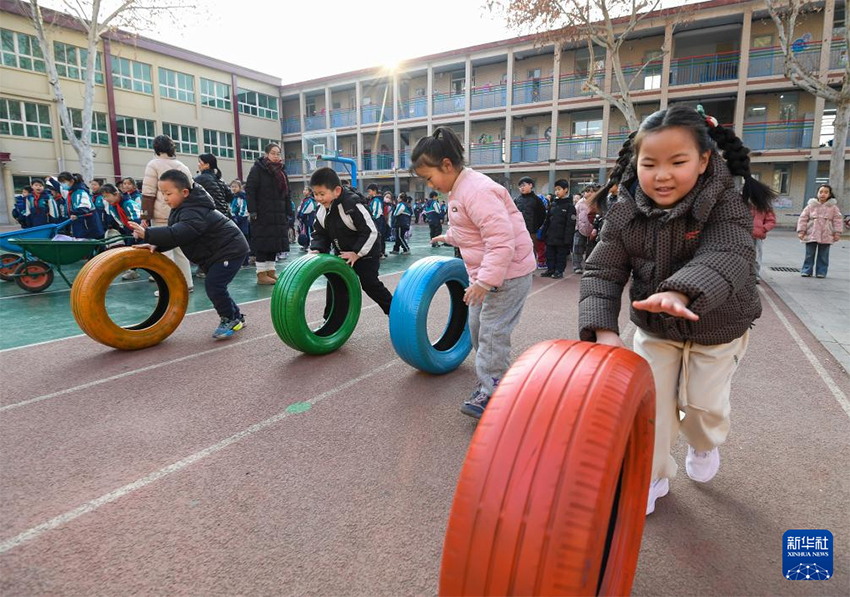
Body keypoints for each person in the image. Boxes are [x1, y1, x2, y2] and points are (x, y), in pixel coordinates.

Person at [578, 105, 776, 515]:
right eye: (650, 164)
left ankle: (703, 444)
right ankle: (651, 476)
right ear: (636, 163)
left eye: (677, 162)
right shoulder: (626, 210)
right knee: (651, 408)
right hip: (655, 328)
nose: (662, 175)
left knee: (702, 405)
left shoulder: (725, 203)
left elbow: (728, 254)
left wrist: (682, 292)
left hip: (718, 326)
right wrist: (603, 329)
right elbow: (602, 269)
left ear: (703, 161)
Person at [412, 127, 535, 419]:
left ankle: (495, 392)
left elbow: (500, 241)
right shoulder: (459, 190)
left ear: (446, 165)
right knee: (478, 327)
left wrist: (484, 281)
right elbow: (471, 230)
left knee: (492, 333)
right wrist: (449, 237)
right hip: (489, 275)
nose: (429, 185)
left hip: (509, 274)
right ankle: (492, 378)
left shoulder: (477, 190)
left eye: (429, 177)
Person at [130, 169, 250, 340]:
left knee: (214, 285)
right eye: (162, 194)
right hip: (216, 252)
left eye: (168, 193)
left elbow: (182, 232)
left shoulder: (194, 209)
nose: (165, 198)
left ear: (185, 192)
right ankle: (236, 317)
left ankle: (229, 318)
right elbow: (179, 236)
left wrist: (148, 233)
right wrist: (156, 245)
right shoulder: (181, 209)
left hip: (230, 250)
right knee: (216, 286)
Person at [308, 167, 394, 315]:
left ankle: (395, 312)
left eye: (322, 194)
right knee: (335, 283)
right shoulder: (322, 209)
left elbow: (371, 231)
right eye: (315, 194)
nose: (318, 198)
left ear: (337, 191)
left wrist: (356, 253)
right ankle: (332, 322)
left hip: (366, 253)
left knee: (370, 284)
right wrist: (317, 248)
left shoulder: (352, 204)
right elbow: (320, 233)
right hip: (343, 254)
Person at [142, 135, 195, 292]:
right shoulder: (182, 166)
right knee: (181, 251)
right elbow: (191, 190)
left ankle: (168, 287)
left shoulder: (153, 164)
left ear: (156, 148)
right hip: (180, 214)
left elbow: (148, 193)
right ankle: (187, 283)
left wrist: (144, 216)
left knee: (163, 251)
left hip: (161, 215)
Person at [245, 142, 293, 285]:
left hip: (278, 214)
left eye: (278, 153)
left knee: (274, 244)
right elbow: (250, 190)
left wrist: (288, 211)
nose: (276, 156)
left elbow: (287, 193)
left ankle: (271, 271)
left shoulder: (281, 171)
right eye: (273, 153)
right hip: (262, 213)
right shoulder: (257, 169)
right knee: (263, 243)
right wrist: (252, 210)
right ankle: (261, 274)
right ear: (266, 154)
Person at [797, 184, 843, 278]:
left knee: (823, 255)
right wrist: (801, 231)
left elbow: (838, 220)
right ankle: (806, 270)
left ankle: (821, 272)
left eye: (826, 192)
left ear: (829, 194)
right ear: (817, 193)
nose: (823, 194)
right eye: (821, 192)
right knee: (809, 254)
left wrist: (837, 232)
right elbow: (803, 218)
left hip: (826, 233)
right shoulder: (811, 206)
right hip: (811, 232)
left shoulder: (833, 207)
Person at [102, 183, 143, 280]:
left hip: (141, 228)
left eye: (107, 196)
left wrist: (137, 230)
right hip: (129, 229)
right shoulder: (112, 207)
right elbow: (119, 220)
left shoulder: (129, 203)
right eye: (104, 197)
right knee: (130, 249)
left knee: (146, 250)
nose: (106, 199)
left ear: (116, 194)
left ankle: (157, 270)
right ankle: (132, 271)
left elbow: (138, 217)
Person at [540, 179, 576, 279]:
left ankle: (559, 271)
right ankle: (550, 269)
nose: (557, 192)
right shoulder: (553, 204)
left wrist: (568, 240)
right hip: (551, 236)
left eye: (559, 189)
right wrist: (544, 233)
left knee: (560, 255)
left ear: (566, 190)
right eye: (555, 189)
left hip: (562, 238)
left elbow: (570, 225)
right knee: (549, 254)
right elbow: (547, 220)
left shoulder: (570, 206)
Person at [56, 172, 104, 239]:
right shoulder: (72, 192)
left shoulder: (80, 192)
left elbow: (84, 207)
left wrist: (75, 213)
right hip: (79, 223)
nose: (62, 185)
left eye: (63, 182)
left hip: (87, 225)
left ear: (71, 181)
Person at [514, 177, 546, 269]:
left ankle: (531, 269)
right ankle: (521, 269)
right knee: (520, 250)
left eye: (524, 185)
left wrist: (536, 227)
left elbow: (542, 215)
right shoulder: (517, 200)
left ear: (530, 185)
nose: (522, 188)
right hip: (519, 230)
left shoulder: (537, 200)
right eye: (520, 186)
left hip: (532, 231)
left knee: (531, 250)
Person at [572, 185, 596, 274]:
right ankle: (577, 266)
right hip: (580, 228)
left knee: (591, 248)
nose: (589, 193)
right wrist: (576, 227)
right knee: (577, 247)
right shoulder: (579, 203)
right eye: (587, 191)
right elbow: (575, 216)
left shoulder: (596, 202)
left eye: (592, 191)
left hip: (592, 229)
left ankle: (589, 265)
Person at [751, 200, 776, 284]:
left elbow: (771, 220)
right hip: (742, 233)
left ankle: (755, 275)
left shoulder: (765, 205)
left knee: (756, 257)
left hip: (757, 235)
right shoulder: (743, 202)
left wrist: (763, 228)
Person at [230, 180, 251, 267]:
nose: (233, 188)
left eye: (235, 186)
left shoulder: (242, 197)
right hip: (234, 220)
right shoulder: (232, 197)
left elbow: (244, 209)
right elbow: (231, 208)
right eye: (232, 186)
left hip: (242, 221)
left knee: (243, 240)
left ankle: (245, 260)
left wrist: (238, 218)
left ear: (240, 187)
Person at [366, 184, 387, 258]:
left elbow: (376, 212)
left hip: (377, 221)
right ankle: (381, 252)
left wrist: (372, 220)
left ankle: (380, 253)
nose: (369, 193)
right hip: (378, 221)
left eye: (369, 191)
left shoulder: (376, 200)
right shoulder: (376, 199)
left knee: (378, 237)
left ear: (374, 191)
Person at [297, 187, 317, 252]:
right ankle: (306, 245)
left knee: (309, 232)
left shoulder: (310, 200)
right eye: (304, 190)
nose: (304, 191)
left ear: (310, 192)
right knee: (305, 232)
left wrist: (300, 215)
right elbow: (300, 208)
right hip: (305, 219)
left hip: (308, 219)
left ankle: (310, 246)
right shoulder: (304, 200)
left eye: (306, 190)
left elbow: (306, 210)